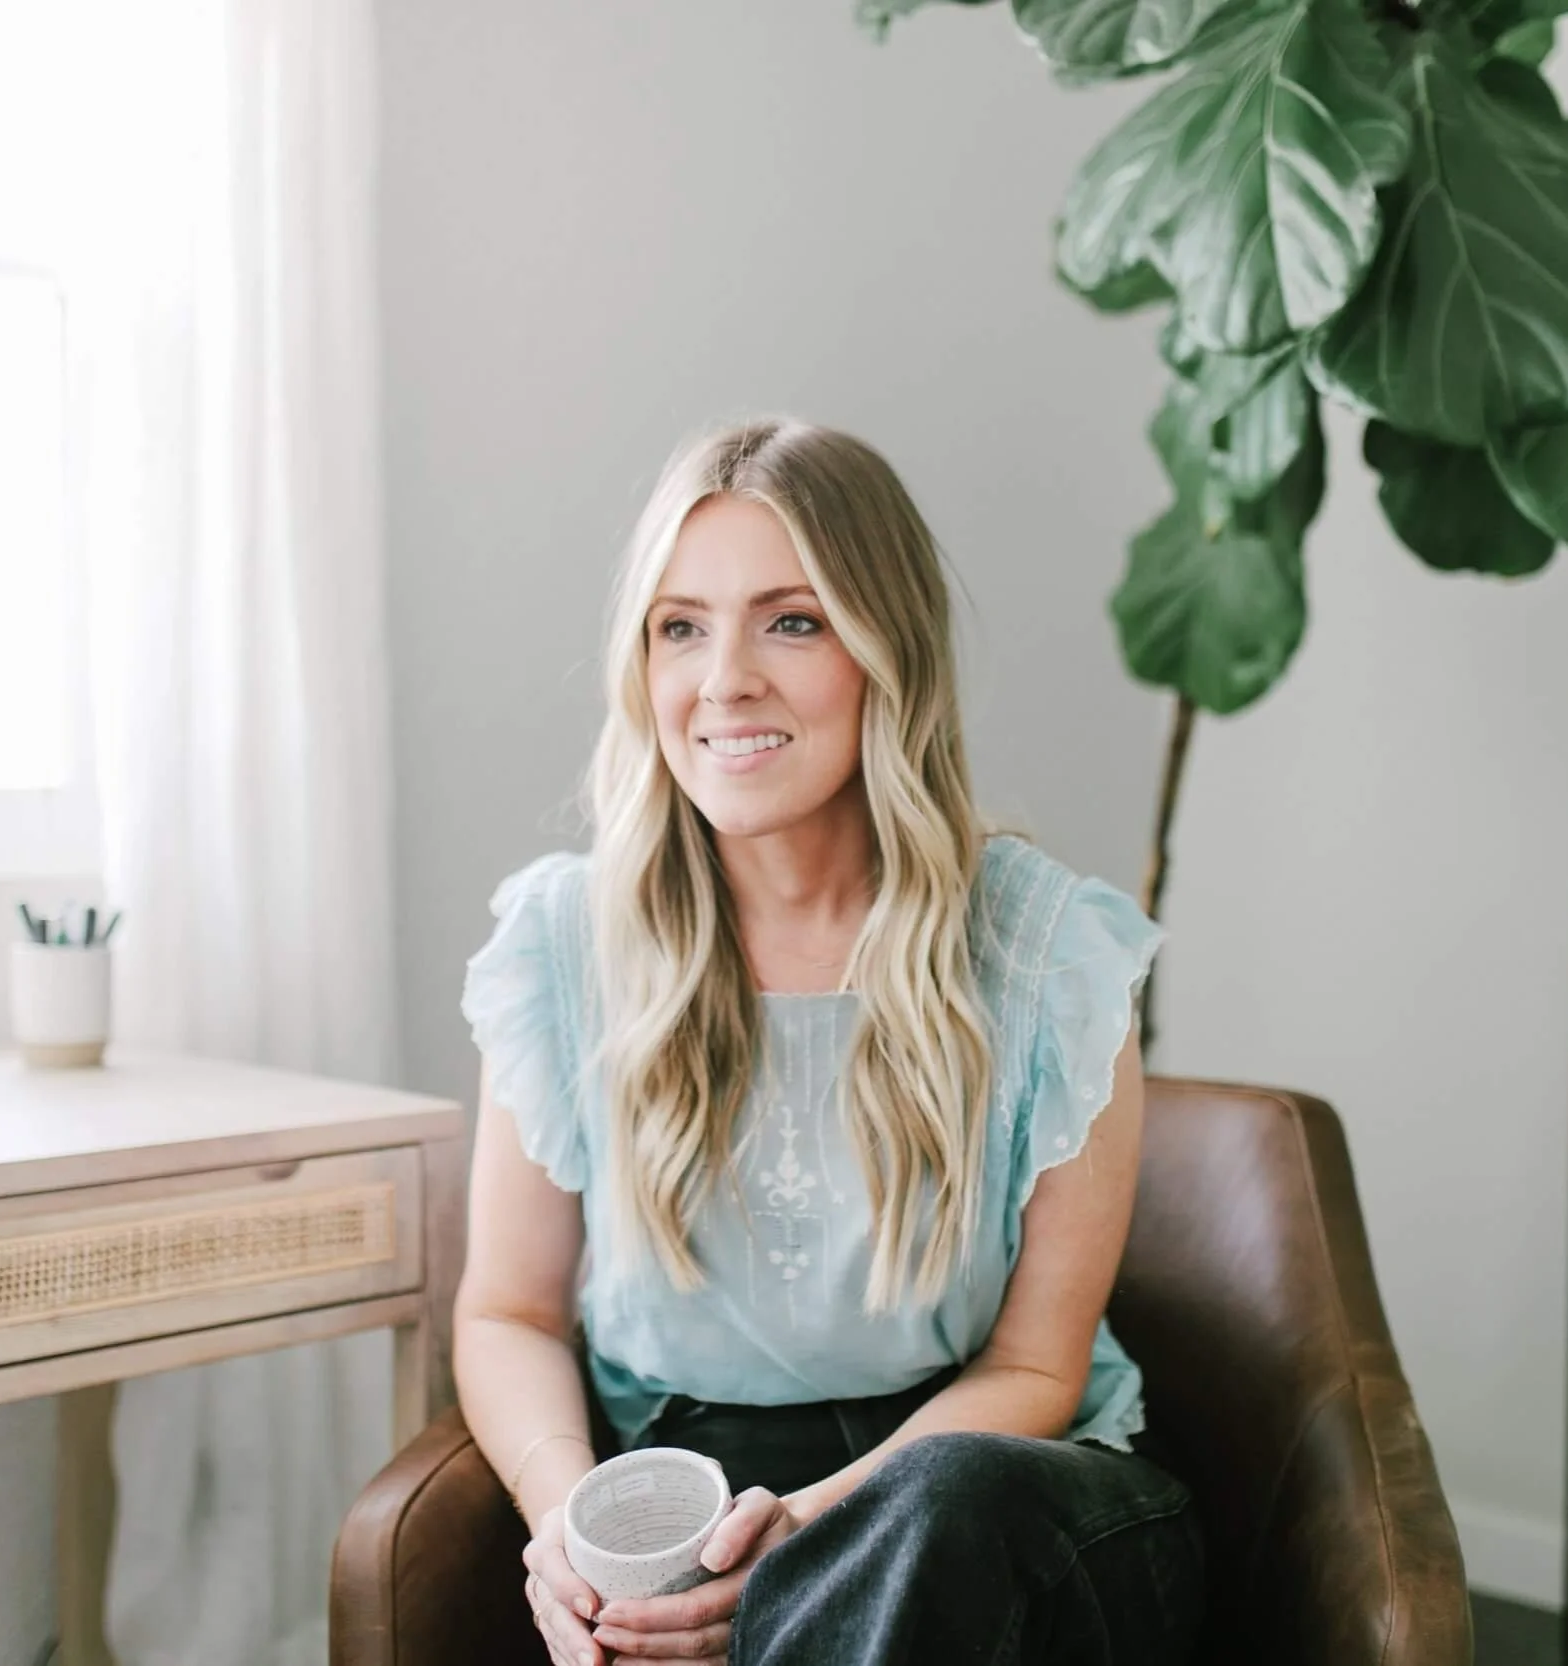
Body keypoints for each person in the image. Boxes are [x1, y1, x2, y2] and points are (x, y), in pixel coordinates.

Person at [453, 418, 1205, 1666]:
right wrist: (566, 1525)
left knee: (942, 1511)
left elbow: (1035, 1363)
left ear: (885, 649)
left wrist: (805, 1547)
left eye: (790, 620)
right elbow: (508, 1311)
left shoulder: (1049, 955)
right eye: (679, 626)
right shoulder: (560, 945)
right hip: (696, 1507)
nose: (724, 678)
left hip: (1008, 1501)